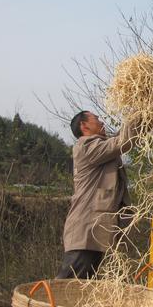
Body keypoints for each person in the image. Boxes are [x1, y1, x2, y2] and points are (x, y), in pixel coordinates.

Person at [56, 111, 137, 279]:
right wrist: (137, 113)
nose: (101, 122)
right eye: (97, 119)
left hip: (93, 233)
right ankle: (44, 306)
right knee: (69, 287)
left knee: (83, 287)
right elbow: (123, 141)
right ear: (84, 126)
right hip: (84, 232)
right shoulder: (86, 147)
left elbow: (121, 137)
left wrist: (147, 117)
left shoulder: (100, 147)